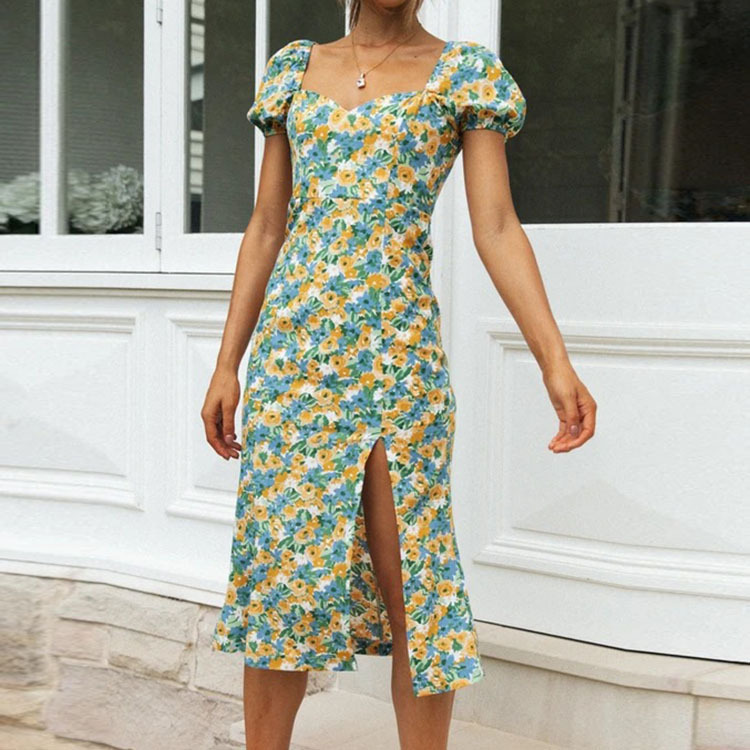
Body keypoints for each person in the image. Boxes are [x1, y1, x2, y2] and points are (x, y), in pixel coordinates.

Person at [201, 1, 597, 748]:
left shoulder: (463, 75)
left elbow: (497, 226)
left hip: (396, 359)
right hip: (293, 359)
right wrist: (228, 363)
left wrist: (555, 360)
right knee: (283, 576)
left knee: (415, 576)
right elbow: (267, 225)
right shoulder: (293, 70)